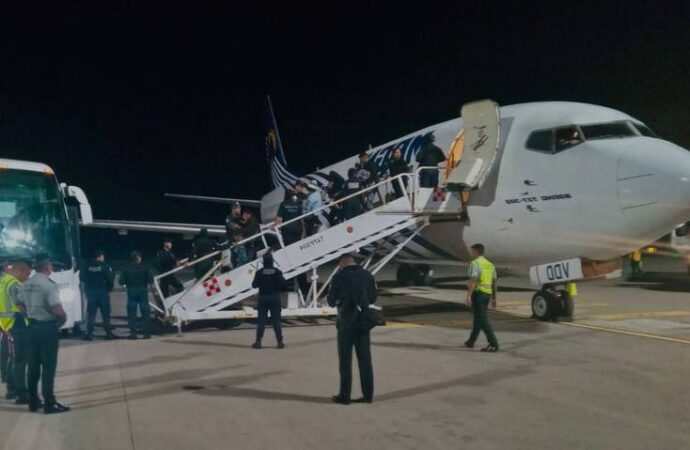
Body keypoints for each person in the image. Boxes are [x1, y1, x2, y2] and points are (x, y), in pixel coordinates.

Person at [20, 255, 70, 413]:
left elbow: (20, 305)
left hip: (31, 328)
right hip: (47, 328)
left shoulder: (25, 284)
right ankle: (49, 403)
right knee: (48, 368)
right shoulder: (49, 285)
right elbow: (57, 310)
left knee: (33, 367)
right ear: (47, 267)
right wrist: (61, 321)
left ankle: (33, 402)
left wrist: (28, 315)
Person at [327, 253, 376, 405]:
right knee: (365, 360)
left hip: (346, 321)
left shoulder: (339, 277)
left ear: (342, 262)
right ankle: (368, 395)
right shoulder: (368, 275)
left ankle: (345, 395)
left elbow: (330, 301)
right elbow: (373, 298)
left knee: (345, 361)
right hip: (363, 322)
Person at [0, 258, 32, 403]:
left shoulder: (2, 282)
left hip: (6, 324)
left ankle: (11, 389)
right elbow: (21, 304)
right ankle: (21, 393)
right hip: (17, 323)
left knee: (13, 358)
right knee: (20, 360)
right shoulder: (12, 283)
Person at [464, 244, 499, 352]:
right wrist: (494, 298)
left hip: (478, 294)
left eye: (471, 251)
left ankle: (493, 344)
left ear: (476, 252)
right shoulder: (490, 264)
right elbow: (494, 282)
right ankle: (471, 341)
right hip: (487, 294)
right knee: (478, 319)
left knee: (482, 320)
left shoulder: (474, 263)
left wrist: (468, 296)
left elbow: (473, 280)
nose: (470, 253)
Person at [251, 253, 286, 349]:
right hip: (274, 297)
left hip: (262, 298)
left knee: (261, 321)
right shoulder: (277, 272)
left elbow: (254, 285)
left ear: (263, 262)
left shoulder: (259, 272)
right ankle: (280, 342)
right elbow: (283, 285)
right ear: (272, 261)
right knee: (276, 321)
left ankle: (258, 342)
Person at [81, 250, 117, 341]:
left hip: (91, 292)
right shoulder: (105, 266)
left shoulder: (86, 265)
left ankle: (89, 334)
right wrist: (109, 289)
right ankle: (108, 333)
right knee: (106, 314)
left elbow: (82, 278)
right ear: (100, 256)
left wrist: (87, 289)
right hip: (102, 292)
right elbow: (110, 279)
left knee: (91, 314)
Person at [119, 251, 152, 340]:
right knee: (145, 312)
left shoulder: (126, 268)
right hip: (142, 291)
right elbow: (150, 280)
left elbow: (121, 281)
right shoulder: (145, 267)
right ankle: (146, 333)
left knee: (132, 314)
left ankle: (133, 334)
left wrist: (127, 285)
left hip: (132, 291)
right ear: (138, 258)